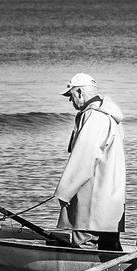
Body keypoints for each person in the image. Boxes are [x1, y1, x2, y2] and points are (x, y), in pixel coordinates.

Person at [53, 72, 126, 251]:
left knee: (85, 239)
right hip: (111, 191)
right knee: (109, 242)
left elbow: (84, 158)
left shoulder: (93, 116)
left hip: (93, 191)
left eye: (70, 96)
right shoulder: (110, 115)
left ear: (79, 92)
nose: (71, 102)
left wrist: (64, 193)